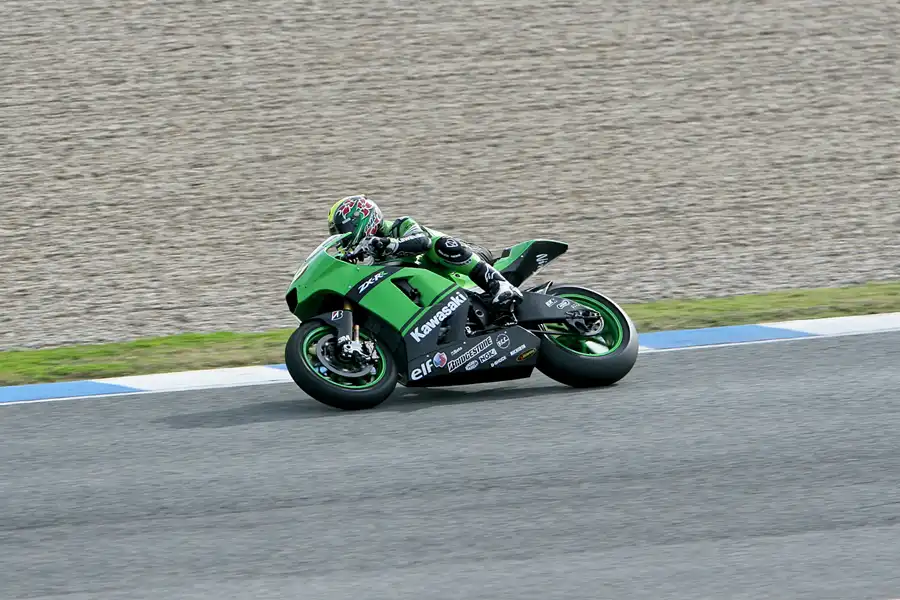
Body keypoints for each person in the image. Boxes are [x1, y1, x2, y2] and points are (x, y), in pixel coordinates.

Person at [327, 194, 523, 311]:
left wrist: (387, 243)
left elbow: (422, 242)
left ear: (360, 218)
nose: (344, 237)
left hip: (463, 264)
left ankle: (500, 285)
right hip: (435, 291)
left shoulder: (399, 225)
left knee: (440, 245)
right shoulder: (372, 258)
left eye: (344, 230)